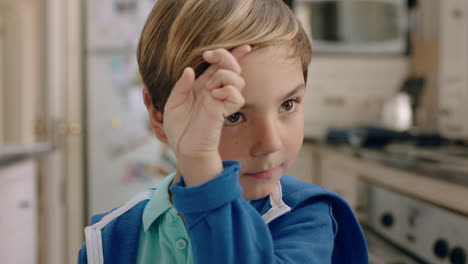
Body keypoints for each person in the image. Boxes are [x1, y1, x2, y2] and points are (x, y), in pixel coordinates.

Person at [78, 0, 368, 263]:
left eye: (288, 104)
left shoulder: (305, 220)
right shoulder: (106, 243)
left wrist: (203, 172)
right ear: (158, 114)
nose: (269, 143)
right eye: (233, 115)